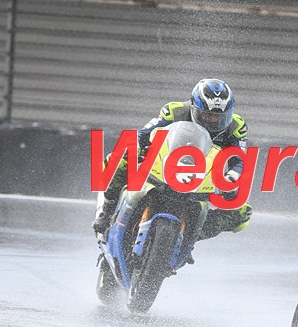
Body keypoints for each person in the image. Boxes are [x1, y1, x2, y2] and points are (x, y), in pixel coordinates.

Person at [92, 78, 252, 260]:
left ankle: (190, 236)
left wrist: (232, 177)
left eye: (219, 118)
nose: (213, 121)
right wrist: (136, 146)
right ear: (193, 107)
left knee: (241, 213)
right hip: (166, 165)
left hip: (205, 177)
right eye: (207, 116)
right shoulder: (174, 111)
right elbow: (142, 134)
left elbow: (240, 159)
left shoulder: (237, 127)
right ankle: (107, 210)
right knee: (117, 160)